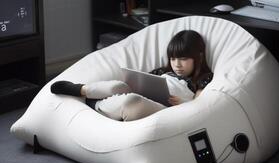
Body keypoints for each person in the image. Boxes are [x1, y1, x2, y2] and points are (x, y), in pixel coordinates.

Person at [51, 30, 213, 121]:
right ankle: (82, 90)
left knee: (132, 101)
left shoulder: (202, 78)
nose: (177, 64)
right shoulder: (162, 72)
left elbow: (201, 104)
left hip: (164, 108)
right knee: (118, 86)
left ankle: (96, 104)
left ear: (198, 57)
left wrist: (185, 102)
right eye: (173, 59)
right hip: (138, 95)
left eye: (183, 59)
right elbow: (140, 82)